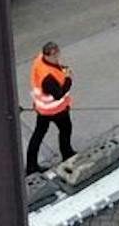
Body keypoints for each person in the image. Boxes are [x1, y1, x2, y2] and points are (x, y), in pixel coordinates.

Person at [24, 40, 73, 175]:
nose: (58, 57)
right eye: (56, 55)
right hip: (55, 110)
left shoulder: (40, 60)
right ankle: (67, 154)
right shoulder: (48, 78)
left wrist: (61, 69)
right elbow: (58, 94)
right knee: (65, 129)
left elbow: (54, 68)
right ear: (49, 55)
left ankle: (31, 166)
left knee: (38, 134)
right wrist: (68, 79)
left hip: (43, 109)